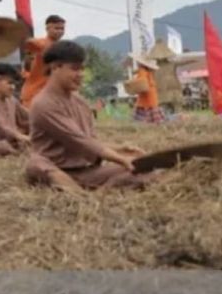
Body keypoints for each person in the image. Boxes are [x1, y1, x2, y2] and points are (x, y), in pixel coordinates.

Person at [25, 41, 154, 192]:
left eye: (82, 69)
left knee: (149, 170)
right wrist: (121, 159)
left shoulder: (80, 102)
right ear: (55, 67)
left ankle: (101, 189)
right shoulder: (44, 104)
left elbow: (90, 141)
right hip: (58, 170)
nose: (80, 75)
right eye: (74, 69)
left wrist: (120, 149)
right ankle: (90, 193)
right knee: (36, 164)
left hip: (87, 171)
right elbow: (81, 141)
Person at [22, 15, 67, 109]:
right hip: (35, 95)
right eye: (56, 28)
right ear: (47, 28)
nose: (60, 31)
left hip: (51, 95)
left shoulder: (61, 47)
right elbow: (28, 42)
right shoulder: (43, 43)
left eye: (62, 28)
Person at [130, 57, 163, 124]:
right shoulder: (149, 71)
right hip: (151, 95)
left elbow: (142, 81)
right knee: (154, 115)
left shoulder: (142, 71)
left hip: (146, 96)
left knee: (142, 118)